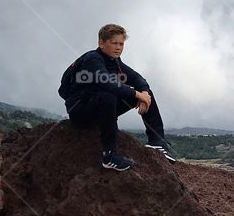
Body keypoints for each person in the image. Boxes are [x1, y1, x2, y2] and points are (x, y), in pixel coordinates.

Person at [58, 23, 176, 171]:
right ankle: (110, 155)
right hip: (81, 112)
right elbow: (108, 82)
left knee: (146, 94)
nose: (119, 47)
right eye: (114, 43)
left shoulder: (115, 62)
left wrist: (144, 93)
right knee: (109, 96)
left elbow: (136, 77)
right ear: (101, 43)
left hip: (100, 109)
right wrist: (137, 94)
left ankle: (157, 141)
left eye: (121, 44)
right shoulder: (92, 60)